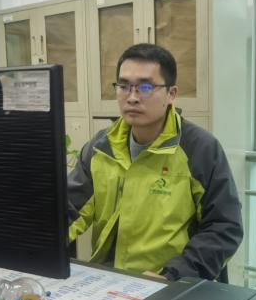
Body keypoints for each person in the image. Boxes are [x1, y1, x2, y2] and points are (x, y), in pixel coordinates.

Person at [67, 43, 242, 280]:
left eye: (145, 87)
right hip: (110, 280)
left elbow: (224, 227)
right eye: (124, 86)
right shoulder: (101, 147)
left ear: (171, 94)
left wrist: (174, 275)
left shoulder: (199, 149)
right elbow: (70, 208)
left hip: (171, 283)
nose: (132, 97)